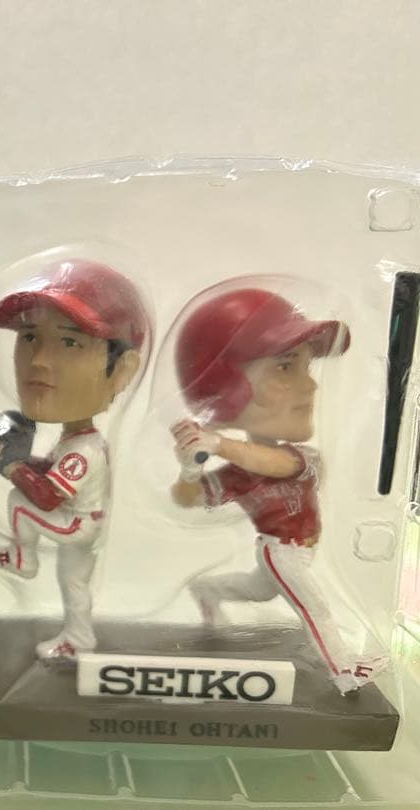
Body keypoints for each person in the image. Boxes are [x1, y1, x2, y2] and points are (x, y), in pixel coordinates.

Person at [170, 287, 384, 694]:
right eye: (287, 367)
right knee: (316, 609)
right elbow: (186, 498)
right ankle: (343, 671)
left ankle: (206, 590)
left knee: (256, 591)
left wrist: (216, 444)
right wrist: (189, 468)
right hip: (279, 550)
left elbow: (276, 464)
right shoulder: (237, 470)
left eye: (306, 367)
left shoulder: (297, 456)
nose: (312, 386)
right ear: (226, 388)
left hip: (299, 549)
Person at [0, 259, 149, 663]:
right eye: (29, 337)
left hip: (78, 523)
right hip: (83, 520)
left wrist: (14, 468)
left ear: (121, 370)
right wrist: (29, 464)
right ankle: (79, 639)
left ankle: (23, 559)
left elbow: (48, 498)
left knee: (19, 503)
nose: (39, 360)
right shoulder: (77, 440)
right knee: (74, 586)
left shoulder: (82, 450)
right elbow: (54, 477)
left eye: (71, 343)